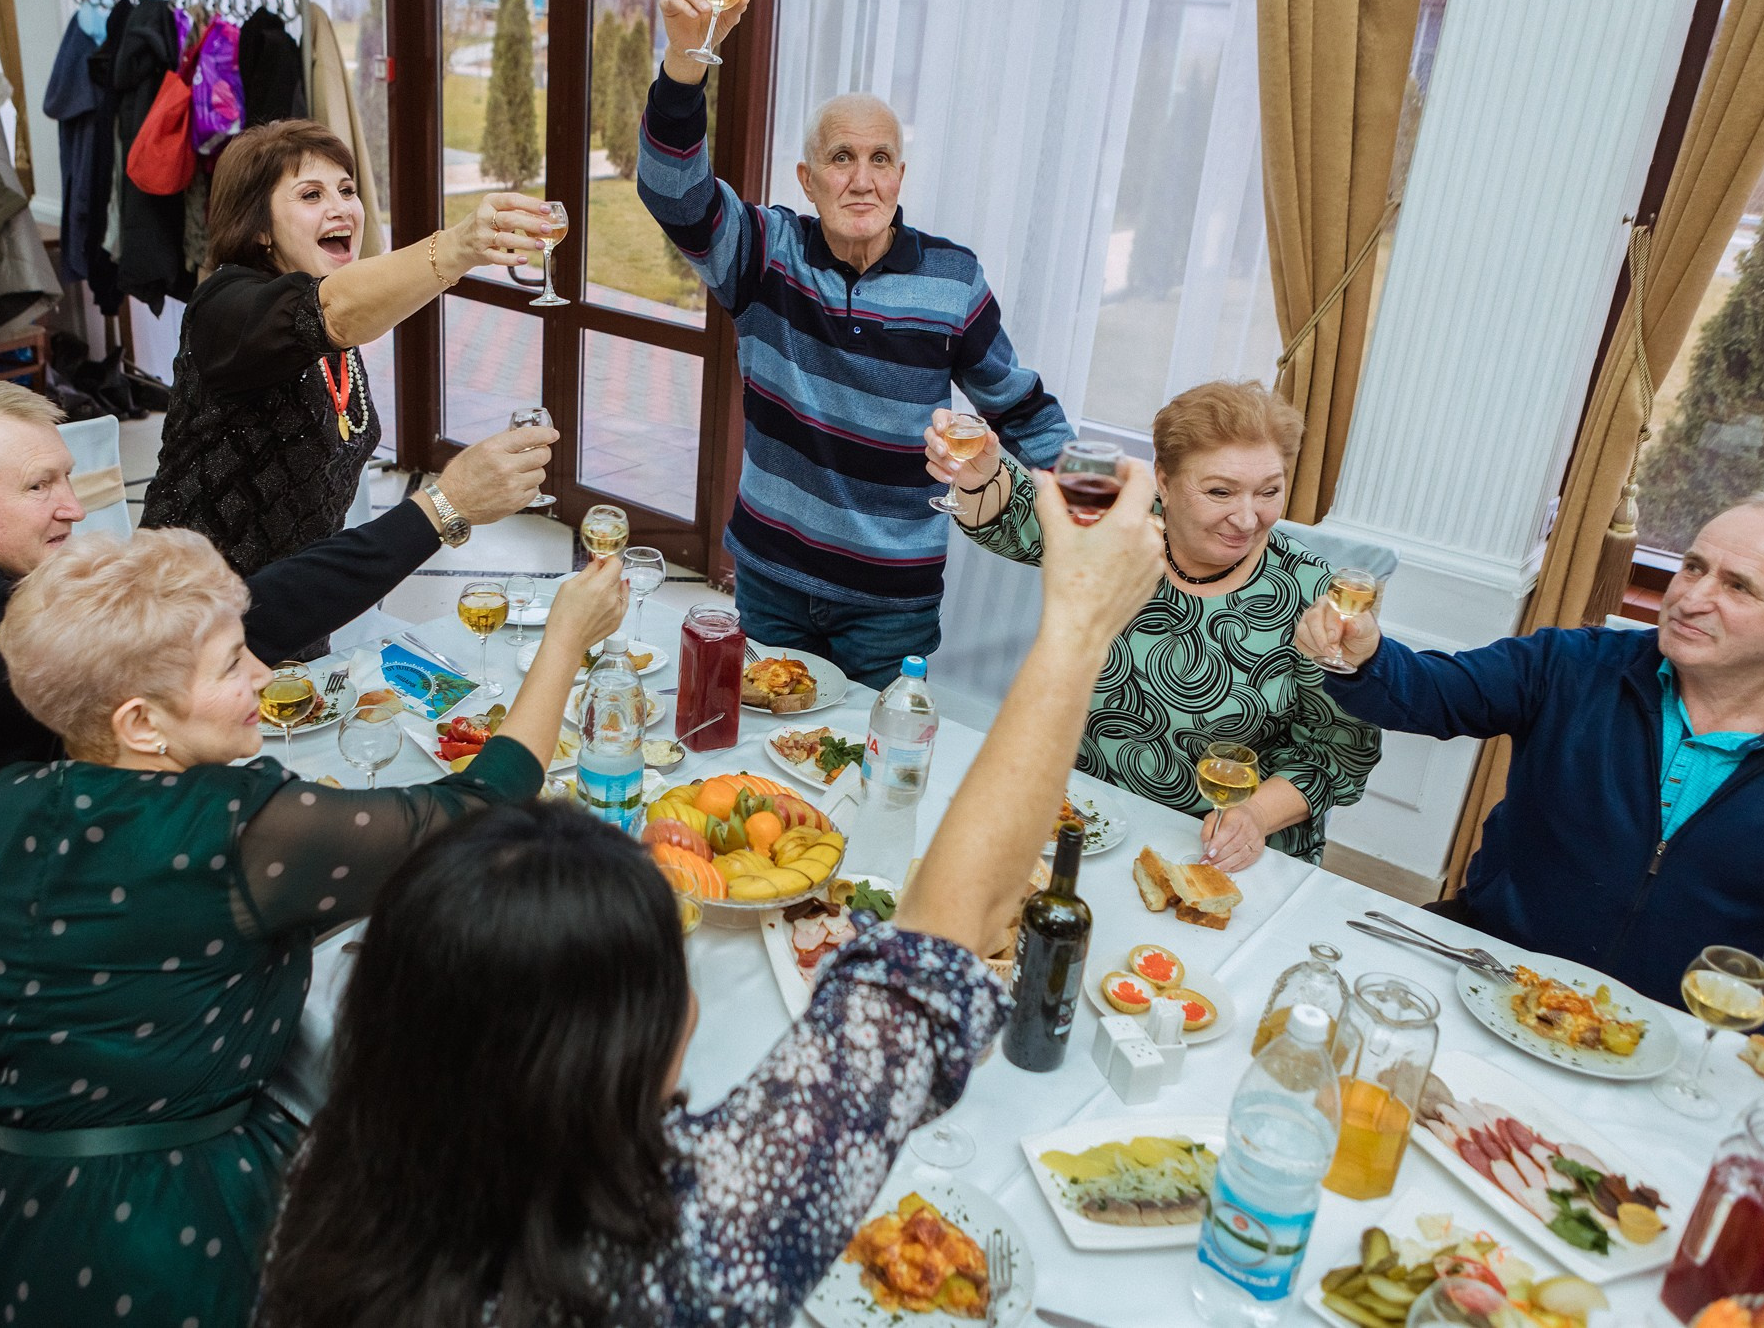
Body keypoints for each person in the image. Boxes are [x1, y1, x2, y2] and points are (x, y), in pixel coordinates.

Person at [252, 463, 1164, 1328]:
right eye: (667, 980)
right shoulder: (686, 1243)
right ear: (614, 1065)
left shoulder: (327, 1181)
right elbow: (929, 961)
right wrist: (1078, 627)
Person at [0, 378, 551, 1181]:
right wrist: (438, 511)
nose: (72, 507)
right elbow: (240, 625)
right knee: (290, 1106)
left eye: (66, 476)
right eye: (39, 487)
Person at [0, 531, 627, 1328]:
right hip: (164, 1234)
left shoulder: (5, 797)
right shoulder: (234, 828)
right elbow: (477, 813)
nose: (265, 676)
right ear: (140, 722)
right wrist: (567, 635)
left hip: (3, 1212)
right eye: (233, 664)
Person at [635, 0, 1071, 691]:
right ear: (807, 177)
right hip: (772, 580)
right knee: (763, 774)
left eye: (880, 159)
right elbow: (673, 193)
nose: (861, 180)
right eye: (841, 158)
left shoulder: (952, 279)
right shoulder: (767, 252)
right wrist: (684, 64)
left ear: (901, 174)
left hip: (891, 605)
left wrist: (1100, 498)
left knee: (875, 768)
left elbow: (1022, 408)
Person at [1295, 493, 1764, 1009]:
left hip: (1661, 1028)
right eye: (1693, 567)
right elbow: (1433, 693)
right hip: (1490, 966)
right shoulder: (1573, 665)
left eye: (1737, 586)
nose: (1692, 597)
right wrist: (1368, 654)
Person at [927, 379, 1379, 869]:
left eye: (1269, 490)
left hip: (1212, 851)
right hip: (1083, 820)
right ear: (1163, 481)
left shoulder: (1313, 597)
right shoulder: (1123, 529)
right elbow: (1019, 521)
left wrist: (1254, 815)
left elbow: (1337, 755)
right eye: (1220, 491)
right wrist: (979, 473)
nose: (1248, 519)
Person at [141, 119, 560, 578]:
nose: (342, 209)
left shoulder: (331, 314)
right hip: (183, 608)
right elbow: (330, 311)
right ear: (259, 229)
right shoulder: (226, 306)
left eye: (347, 190)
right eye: (311, 195)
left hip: (295, 606)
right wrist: (460, 246)